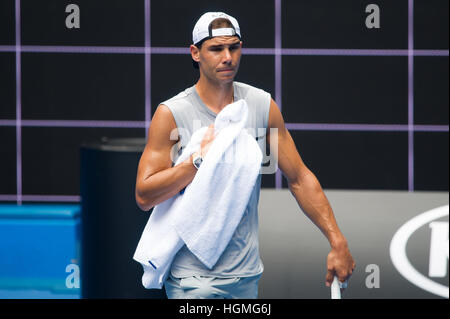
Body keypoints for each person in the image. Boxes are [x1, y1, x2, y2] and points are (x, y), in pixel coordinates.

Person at [135, 12, 355, 299]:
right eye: (216, 49)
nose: (228, 57)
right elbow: (144, 195)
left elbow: (299, 177)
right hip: (193, 278)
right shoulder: (172, 113)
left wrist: (337, 240)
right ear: (195, 53)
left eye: (234, 47)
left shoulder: (261, 105)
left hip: (246, 275)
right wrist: (197, 162)